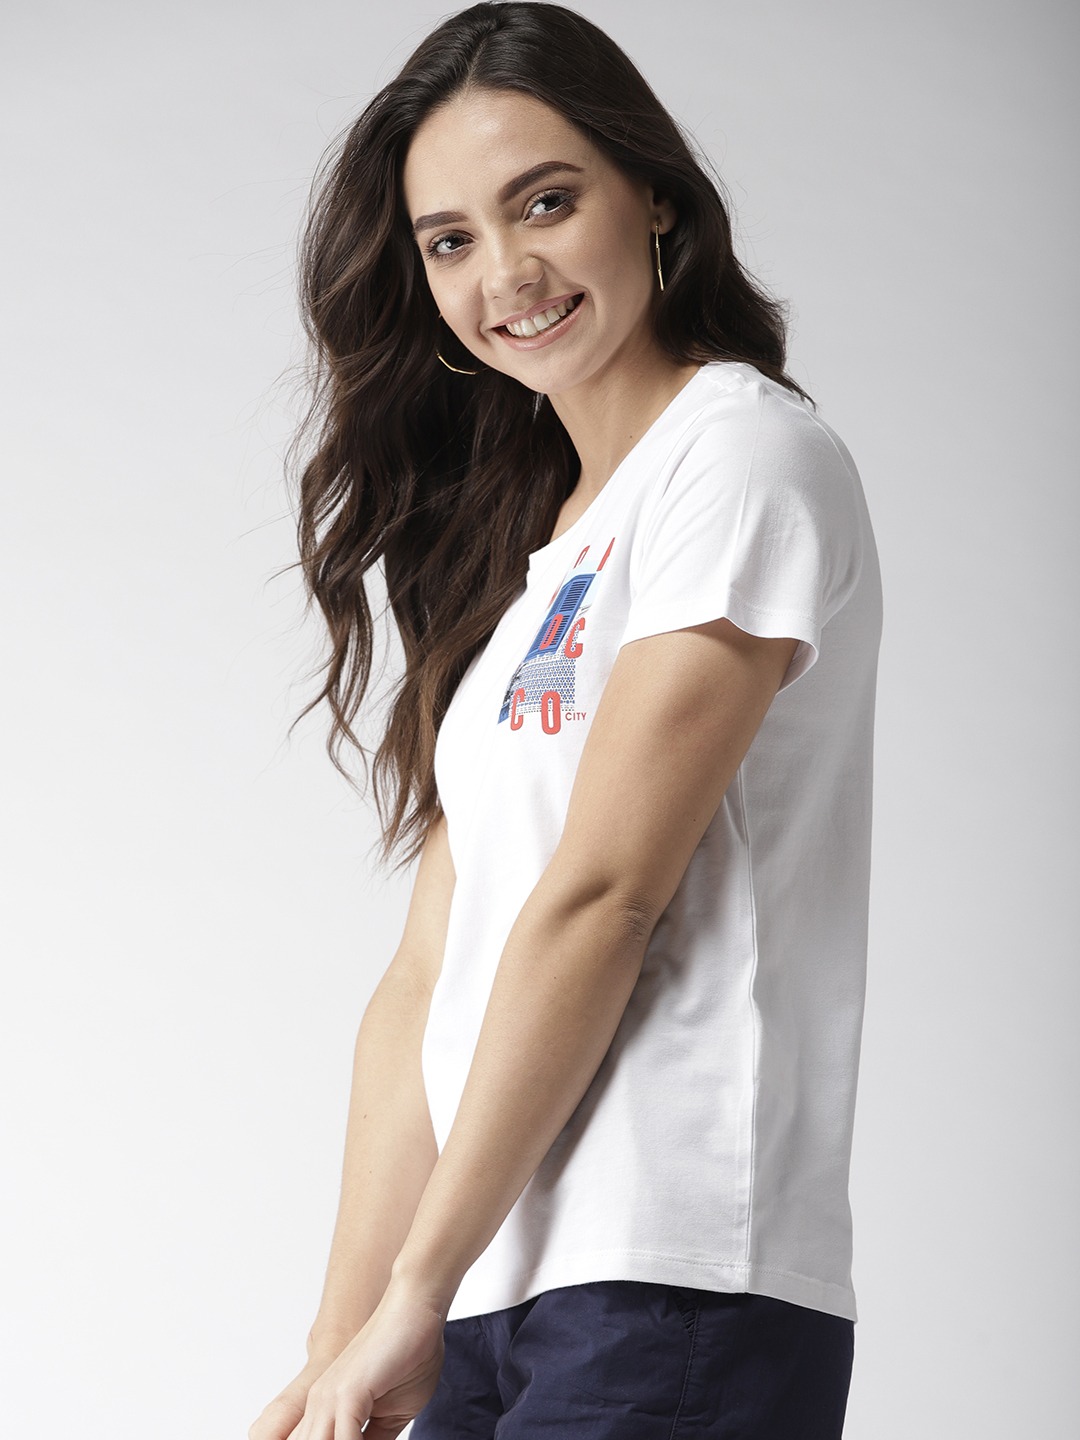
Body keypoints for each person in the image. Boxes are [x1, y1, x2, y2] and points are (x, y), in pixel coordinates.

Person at [249, 2, 882, 1436]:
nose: (507, 274)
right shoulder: (537, 558)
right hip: (487, 1282)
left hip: (673, 1273)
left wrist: (413, 1289)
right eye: (449, 240)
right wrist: (343, 1336)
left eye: (546, 202)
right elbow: (425, 979)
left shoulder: (741, 458)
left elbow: (606, 897)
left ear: (653, 194)